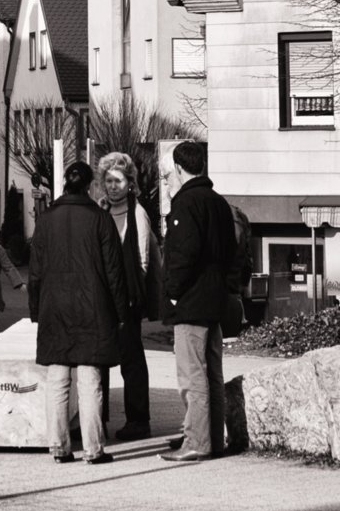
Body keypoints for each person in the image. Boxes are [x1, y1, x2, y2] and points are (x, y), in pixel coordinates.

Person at [28, 159, 129, 465]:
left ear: (64, 184)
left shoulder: (45, 220)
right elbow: (114, 271)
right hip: (93, 308)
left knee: (57, 380)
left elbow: (35, 271)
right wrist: (120, 311)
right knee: (89, 381)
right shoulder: (100, 219)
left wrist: (37, 311)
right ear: (89, 185)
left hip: (54, 308)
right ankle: (94, 449)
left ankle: (58, 447)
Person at [159, 139, 237, 463]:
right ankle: (212, 438)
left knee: (193, 376)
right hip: (216, 300)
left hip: (191, 303)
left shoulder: (185, 204)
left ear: (178, 168)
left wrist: (173, 292)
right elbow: (232, 251)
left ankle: (197, 441)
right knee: (212, 374)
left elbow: (181, 255)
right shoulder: (219, 203)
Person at [94, 151, 160, 441]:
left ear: (129, 183)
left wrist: (135, 294)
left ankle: (138, 420)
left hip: (128, 299)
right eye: (108, 180)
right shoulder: (101, 211)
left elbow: (144, 259)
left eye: (118, 180)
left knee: (131, 361)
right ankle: (99, 418)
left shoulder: (138, 213)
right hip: (103, 298)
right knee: (100, 359)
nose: (112, 186)